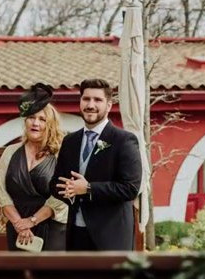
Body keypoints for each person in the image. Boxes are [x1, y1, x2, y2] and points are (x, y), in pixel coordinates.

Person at [50, 78, 142, 251]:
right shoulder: (70, 141)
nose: (90, 105)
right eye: (86, 99)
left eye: (97, 100)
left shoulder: (124, 140)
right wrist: (68, 190)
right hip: (76, 233)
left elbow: (130, 188)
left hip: (111, 236)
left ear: (109, 105)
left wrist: (89, 188)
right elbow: (55, 183)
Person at [0, 83, 67, 251]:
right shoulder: (10, 152)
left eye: (42, 119)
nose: (36, 123)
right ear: (25, 121)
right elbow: (0, 191)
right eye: (32, 117)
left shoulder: (61, 154)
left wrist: (31, 221)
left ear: (50, 125)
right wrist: (19, 224)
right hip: (17, 229)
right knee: (19, 275)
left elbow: (62, 196)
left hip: (51, 228)